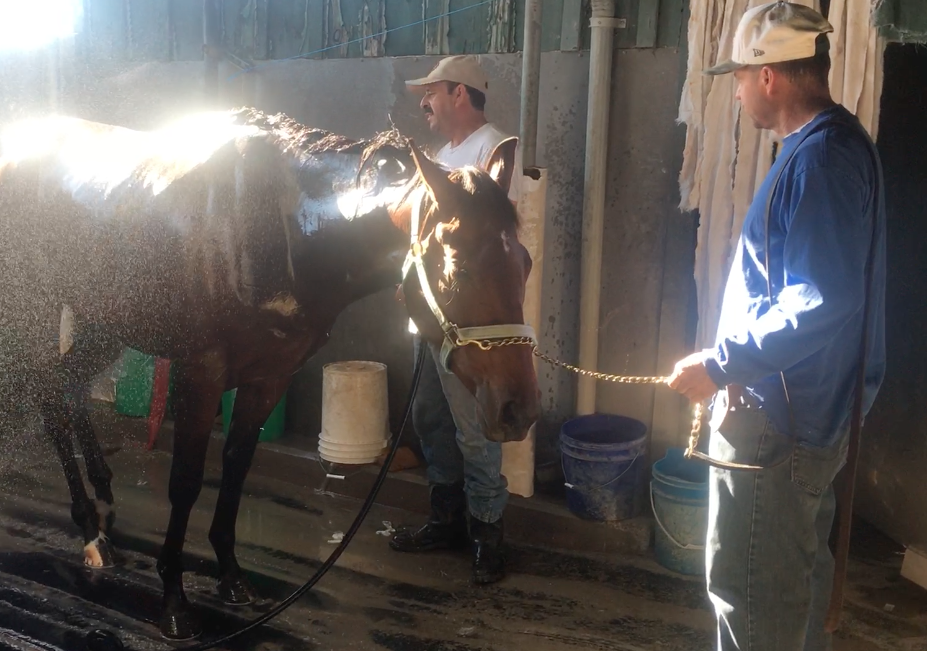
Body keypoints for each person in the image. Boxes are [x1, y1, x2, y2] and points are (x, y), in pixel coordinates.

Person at [666, 3, 886, 650]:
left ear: (767, 77)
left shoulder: (819, 160)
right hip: (804, 418)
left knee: (751, 593)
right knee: (792, 587)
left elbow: (817, 300)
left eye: (737, 77)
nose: (734, 91)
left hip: (780, 429)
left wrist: (720, 363)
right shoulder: (833, 147)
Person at [389, 55, 522, 585]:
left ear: (460, 94)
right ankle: (445, 519)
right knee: (431, 419)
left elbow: (489, 246)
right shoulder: (442, 155)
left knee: (475, 429)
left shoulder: (497, 150)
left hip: (471, 325)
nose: (424, 102)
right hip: (432, 317)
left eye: (433, 92)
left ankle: (487, 532)